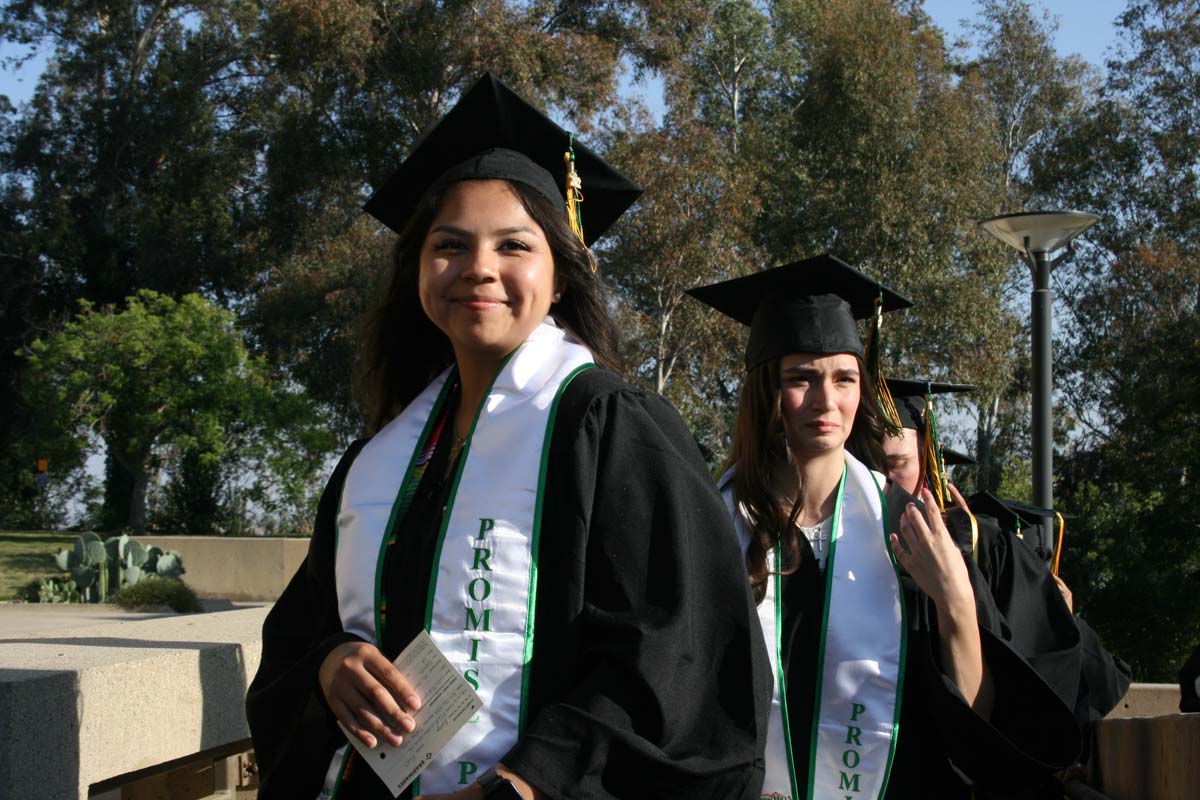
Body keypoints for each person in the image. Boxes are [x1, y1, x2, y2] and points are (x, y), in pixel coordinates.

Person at [246, 73, 769, 800]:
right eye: (449, 245)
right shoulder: (381, 460)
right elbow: (305, 625)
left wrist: (528, 783)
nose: (479, 269)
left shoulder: (612, 428)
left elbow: (678, 656)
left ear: (562, 276)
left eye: (514, 245)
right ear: (418, 270)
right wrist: (330, 663)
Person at [687, 255, 1082, 799]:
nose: (827, 401)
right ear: (765, 390)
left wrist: (955, 601)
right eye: (801, 378)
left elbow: (977, 728)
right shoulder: (710, 528)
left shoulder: (910, 528)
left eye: (845, 379)